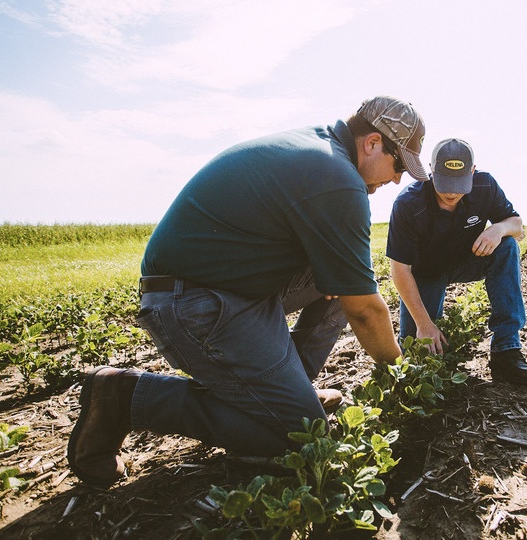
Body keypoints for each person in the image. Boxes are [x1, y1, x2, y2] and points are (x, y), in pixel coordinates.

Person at [67, 96, 427, 488]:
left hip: (230, 289)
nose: (396, 180)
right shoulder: (337, 178)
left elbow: (351, 289)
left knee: (344, 280)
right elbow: (365, 311)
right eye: (397, 166)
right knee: (301, 436)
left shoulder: (320, 150)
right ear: (373, 142)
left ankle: (286, 389)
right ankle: (125, 396)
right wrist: (400, 375)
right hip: (193, 303)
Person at [386, 138, 527, 385]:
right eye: (444, 182)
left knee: (507, 246)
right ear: (431, 171)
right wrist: (424, 324)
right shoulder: (408, 204)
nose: (451, 192)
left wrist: (498, 228)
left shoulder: (485, 185)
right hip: (427, 272)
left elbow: (516, 224)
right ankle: (427, 339)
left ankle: (506, 347)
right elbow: (400, 269)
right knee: (416, 352)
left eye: (459, 184)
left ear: (473, 172)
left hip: (468, 260)